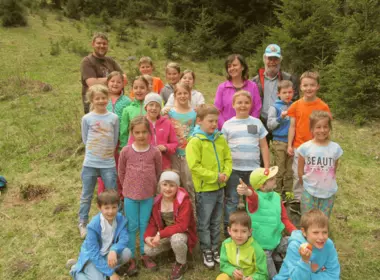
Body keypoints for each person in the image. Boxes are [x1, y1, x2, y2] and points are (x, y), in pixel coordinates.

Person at [186, 104, 232, 269]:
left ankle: (215, 249)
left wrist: (226, 173)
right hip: (205, 190)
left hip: (220, 187)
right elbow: (195, 167)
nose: (214, 124)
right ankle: (206, 250)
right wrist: (214, 177)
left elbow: (227, 158)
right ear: (199, 121)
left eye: (216, 121)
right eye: (210, 121)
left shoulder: (220, 138)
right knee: (204, 222)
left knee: (216, 221)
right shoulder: (195, 142)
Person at [221, 90, 270, 237]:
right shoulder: (227, 125)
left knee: (252, 199)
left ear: (251, 104)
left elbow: (264, 146)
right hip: (234, 170)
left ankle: (252, 230)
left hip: (253, 171)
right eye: (239, 102)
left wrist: (266, 167)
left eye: (246, 102)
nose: (243, 105)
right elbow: (223, 149)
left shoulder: (257, 123)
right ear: (233, 105)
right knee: (232, 201)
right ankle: (229, 231)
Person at [118, 116, 162, 276]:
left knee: (145, 224)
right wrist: (126, 187)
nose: (141, 135)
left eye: (144, 132)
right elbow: (121, 171)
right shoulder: (126, 151)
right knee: (131, 226)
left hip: (148, 195)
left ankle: (144, 253)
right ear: (132, 133)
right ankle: (130, 257)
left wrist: (152, 187)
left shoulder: (155, 152)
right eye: (137, 132)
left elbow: (158, 171)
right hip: (130, 195)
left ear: (149, 132)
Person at [238, 167, 297, 279]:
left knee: (297, 242)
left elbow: (284, 219)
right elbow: (252, 196)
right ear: (262, 186)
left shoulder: (276, 197)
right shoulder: (255, 200)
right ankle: (276, 262)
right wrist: (247, 191)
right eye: (271, 179)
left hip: (277, 240)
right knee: (273, 277)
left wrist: (296, 233)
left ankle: (295, 268)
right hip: (263, 248)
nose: (275, 179)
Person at [287, 71, 331, 216]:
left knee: (314, 172)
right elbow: (292, 126)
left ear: (317, 86)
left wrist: (326, 146)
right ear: (300, 87)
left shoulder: (323, 106)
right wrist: (289, 145)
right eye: (305, 85)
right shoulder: (296, 105)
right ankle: (298, 201)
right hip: (299, 146)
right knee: (298, 173)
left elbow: (327, 127)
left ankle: (315, 198)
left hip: (316, 147)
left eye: (312, 85)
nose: (309, 88)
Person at [79, 84, 119, 239]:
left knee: (112, 194)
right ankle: (83, 222)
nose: (101, 101)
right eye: (97, 98)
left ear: (107, 99)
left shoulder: (113, 118)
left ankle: (114, 221)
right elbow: (85, 139)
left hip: (108, 163)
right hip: (90, 163)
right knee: (86, 194)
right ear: (92, 100)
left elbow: (115, 139)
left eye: (104, 98)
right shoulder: (87, 118)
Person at [143, 171, 198, 280]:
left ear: (177, 186)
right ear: (160, 185)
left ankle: (181, 263)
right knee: (148, 249)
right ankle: (172, 250)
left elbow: (182, 225)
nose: (168, 189)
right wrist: (148, 236)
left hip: (183, 234)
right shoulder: (157, 201)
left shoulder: (183, 201)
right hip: (166, 234)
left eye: (172, 185)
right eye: (165, 184)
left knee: (176, 240)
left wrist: (160, 234)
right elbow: (153, 222)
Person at [67, 190, 131, 280]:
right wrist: (111, 273)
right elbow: (93, 253)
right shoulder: (93, 225)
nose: (111, 211)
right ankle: (75, 270)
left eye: (114, 207)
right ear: (99, 207)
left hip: (107, 253)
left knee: (126, 253)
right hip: (92, 258)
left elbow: (124, 238)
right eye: (107, 208)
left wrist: (114, 250)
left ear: (118, 206)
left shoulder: (120, 218)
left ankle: (102, 271)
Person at [298, 111, 343, 217]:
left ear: (329, 128)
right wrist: (305, 184)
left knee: (323, 219)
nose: (322, 130)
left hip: (328, 192)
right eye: (318, 127)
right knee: (308, 218)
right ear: (311, 129)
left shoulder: (335, 148)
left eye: (325, 127)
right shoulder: (305, 148)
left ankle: (321, 233)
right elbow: (300, 171)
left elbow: (334, 168)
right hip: (309, 191)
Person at [274, 209, 340, 280]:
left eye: (325, 232)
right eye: (315, 232)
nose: (321, 237)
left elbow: (333, 275)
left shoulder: (328, 245)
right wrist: (304, 261)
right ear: (304, 232)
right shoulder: (295, 246)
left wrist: (310, 277)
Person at [252, 44, 298, 145]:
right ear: (264, 59)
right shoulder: (255, 81)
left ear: (280, 60)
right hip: (262, 121)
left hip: (283, 122)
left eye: (275, 59)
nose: (272, 62)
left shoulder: (289, 79)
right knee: (261, 156)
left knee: (283, 156)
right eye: (270, 58)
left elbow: (294, 102)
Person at [97, 71, 131, 197]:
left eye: (119, 82)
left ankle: (119, 195)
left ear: (123, 84)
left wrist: (124, 141)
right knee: (103, 167)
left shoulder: (127, 101)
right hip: (103, 141)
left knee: (119, 167)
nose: (115, 84)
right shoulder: (102, 98)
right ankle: (103, 194)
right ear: (107, 82)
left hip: (119, 141)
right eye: (112, 81)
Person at [165, 83, 197, 211]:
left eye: (185, 93)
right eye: (180, 93)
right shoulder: (170, 113)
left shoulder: (194, 113)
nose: (183, 96)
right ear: (175, 95)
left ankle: (193, 213)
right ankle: (175, 212)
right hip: (173, 154)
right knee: (174, 183)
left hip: (188, 154)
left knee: (189, 184)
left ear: (189, 95)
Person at [128, 93, 178, 170]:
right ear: (146, 107)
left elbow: (174, 143)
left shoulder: (167, 123)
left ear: (160, 108)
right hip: (144, 166)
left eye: (157, 105)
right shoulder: (139, 123)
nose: (154, 108)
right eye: (151, 105)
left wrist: (165, 147)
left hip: (163, 165)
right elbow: (131, 144)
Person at [80, 32, 125, 114]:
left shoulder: (110, 61)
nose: (101, 46)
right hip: (94, 104)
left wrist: (100, 80)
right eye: (99, 43)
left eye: (104, 44)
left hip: (112, 103)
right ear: (93, 44)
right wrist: (114, 80)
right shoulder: (87, 61)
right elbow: (92, 83)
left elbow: (124, 78)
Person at [214, 54, 262, 130]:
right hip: (227, 131)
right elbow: (217, 110)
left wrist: (249, 126)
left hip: (248, 129)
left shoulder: (253, 86)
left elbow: (257, 108)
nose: (232, 68)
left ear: (242, 67)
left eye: (234, 65)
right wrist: (225, 127)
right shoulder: (222, 87)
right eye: (229, 66)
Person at [217, 211, 268, 280]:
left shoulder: (257, 249)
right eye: (235, 230)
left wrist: (253, 278)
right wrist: (232, 271)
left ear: (249, 232)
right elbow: (223, 265)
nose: (239, 235)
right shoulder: (226, 244)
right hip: (232, 276)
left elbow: (263, 274)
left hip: (248, 278)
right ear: (229, 230)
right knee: (221, 278)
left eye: (244, 231)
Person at [267, 80, 294, 201]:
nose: (287, 95)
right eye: (284, 92)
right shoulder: (275, 107)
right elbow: (270, 125)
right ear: (279, 94)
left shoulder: (294, 106)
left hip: (292, 142)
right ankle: (276, 193)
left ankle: (288, 194)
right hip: (279, 142)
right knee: (279, 169)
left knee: (290, 170)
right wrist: (280, 118)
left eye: (290, 92)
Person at [119, 76, 149, 148]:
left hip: (150, 146)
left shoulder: (152, 108)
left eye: (142, 88)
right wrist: (123, 148)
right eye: (135, 88)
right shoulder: (127, 110)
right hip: (132, 147)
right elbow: (124, 132)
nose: (139, 90)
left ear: (147, 89)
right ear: (132, 90)